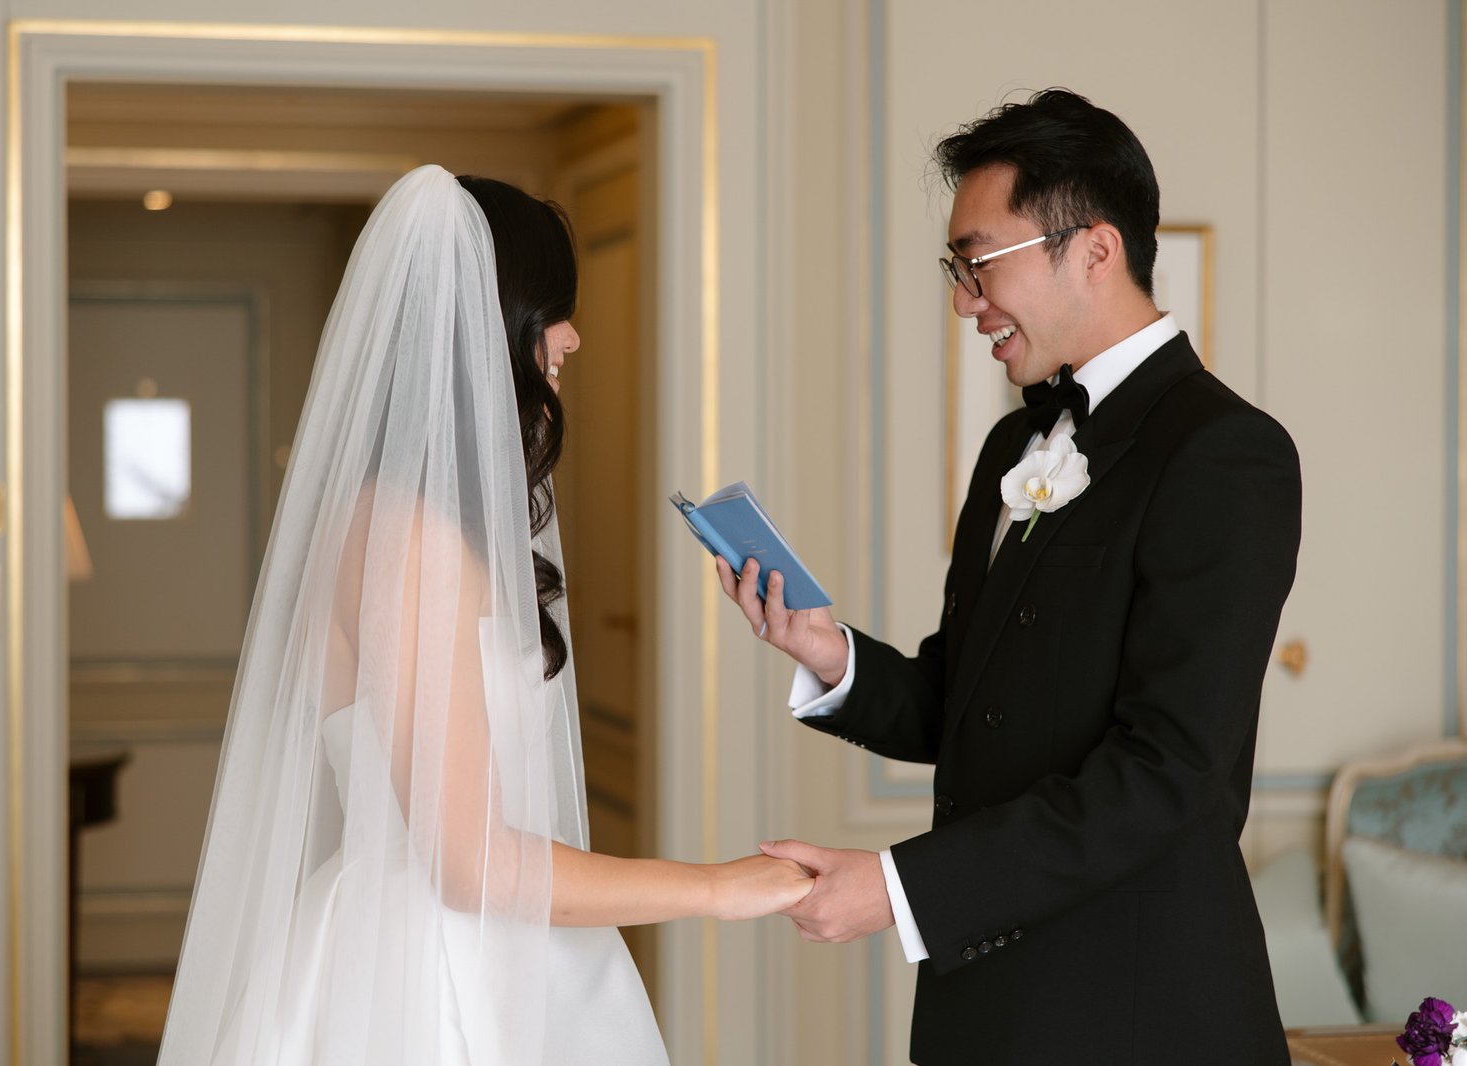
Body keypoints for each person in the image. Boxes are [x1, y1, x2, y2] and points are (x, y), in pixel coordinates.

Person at [156, 165, 812, 1066]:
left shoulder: (416, 521)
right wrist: (716, 888)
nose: (573, 338)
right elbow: (472, 864)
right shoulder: (409, 538)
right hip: (428, 981)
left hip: (484, 946)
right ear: (490, 327)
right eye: (553, 310)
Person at [719, 90, 1301, 1064]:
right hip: (983, 1012)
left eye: (978, 263)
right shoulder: (1012, 444)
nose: (961, 300)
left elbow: (1168, 772)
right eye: (955, 268)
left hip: (1137, 1014)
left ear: (1094, 249)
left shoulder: (1225, 452)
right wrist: (827, 653)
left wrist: (902, 890)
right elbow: (968, 704)